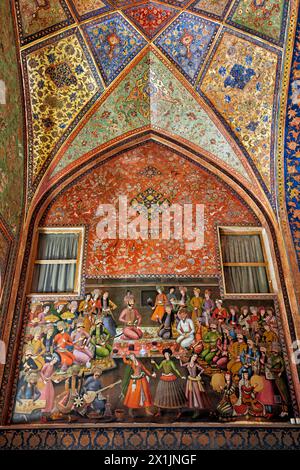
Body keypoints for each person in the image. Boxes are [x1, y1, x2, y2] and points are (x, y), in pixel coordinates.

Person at [151, 349, 186, 418]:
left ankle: (179, 412)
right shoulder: (163, 361)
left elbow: (175, 369)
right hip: (164, 377)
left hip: (171, 377)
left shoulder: (171, 362)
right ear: (164, 355)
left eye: (167, 354)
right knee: (160, 394)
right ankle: (159, 411)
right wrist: (154, 363)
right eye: (165, 354)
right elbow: (158, 368)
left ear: (170, 355)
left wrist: (181, 376)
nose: (166, 355)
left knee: (175, 395)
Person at [121, 353, 155, 417]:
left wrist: (151, 374)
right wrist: (124, 355)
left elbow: (145, 369)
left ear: (134, 356)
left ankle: (147, 411)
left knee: (145, 393)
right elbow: (125, 361)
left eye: (133, 356)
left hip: (142, 379)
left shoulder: (139, 362)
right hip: (135, 379)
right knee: (133, 395)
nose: (132, 357)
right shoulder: (131, 363)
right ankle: (130, 411)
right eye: (131, 357)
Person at [180, 353, 210, 418]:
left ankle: (197, 410)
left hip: (196, 381)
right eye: (194, 356)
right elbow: (182, 365)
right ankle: (192, 410)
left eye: (196, 357)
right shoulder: (188, 364)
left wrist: (199, 374)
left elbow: (202, 369)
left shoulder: (196, 365)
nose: (195, 358)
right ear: (191, 357)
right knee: (190, 394)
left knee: (197, 394)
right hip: (190, 380)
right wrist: (179, 359)